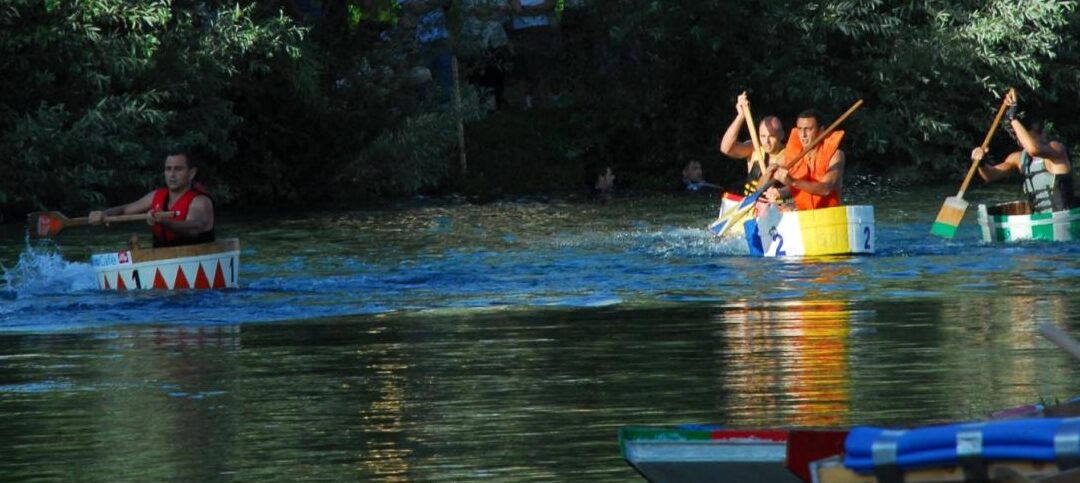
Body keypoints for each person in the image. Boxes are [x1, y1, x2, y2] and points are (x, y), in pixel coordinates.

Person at [973, 90, 1076, 213]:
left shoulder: (1056, 150)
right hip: (1038, 222)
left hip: (1064, 221)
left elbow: (1033, 149)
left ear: (1043, 133)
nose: (1021, 141)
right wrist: (981, 163)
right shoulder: (1017, 158)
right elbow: (990, 175)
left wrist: (1013, 119)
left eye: (1024, 136)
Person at [89, 151, 215, 248]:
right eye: (168, 169)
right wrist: (104, 213)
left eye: (178, 169)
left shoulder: (201, 201)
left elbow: (194, 228)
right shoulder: (156, 196)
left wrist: (162, 222)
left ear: (192, 173)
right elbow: (124, 210)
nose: (171, 175)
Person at [772, 108, 846, 210]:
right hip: (803, 215)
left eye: (808, 129)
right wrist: (779, 192)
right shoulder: (789, 155)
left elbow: (826, 189)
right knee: (779, 203)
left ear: (821, 131)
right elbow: (761, 187)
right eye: (800, 129)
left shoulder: (836, 155)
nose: (803, 135)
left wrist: (793, 182)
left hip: (829, 215)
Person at [718, 92, 787, 197]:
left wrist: (782, 193)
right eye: (763, 136)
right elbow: (725, 149)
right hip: (751, 205)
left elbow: (796, 185)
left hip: (777, 206)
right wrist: (741, 116)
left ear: (781, 135)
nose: (766, 142)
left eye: (771, 136)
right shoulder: (754, 149)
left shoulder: (789, 154)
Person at [508, 0, 558, 108]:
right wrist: (539, 9)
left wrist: (529, 9)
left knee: (542, 65)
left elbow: (553, 3)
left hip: (542, 26)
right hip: (521, 29)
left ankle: (543, 99)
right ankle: (526, 101)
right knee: (523, 65)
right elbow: (517, 9)